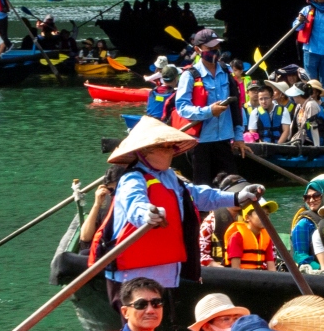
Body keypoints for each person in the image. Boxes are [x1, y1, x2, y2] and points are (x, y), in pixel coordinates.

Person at [94, 117, 254, 306]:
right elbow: (135, 205)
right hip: (134, 273)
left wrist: (236, 198)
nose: (171, 152)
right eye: (165, 147)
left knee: (160, 324)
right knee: (139, 323)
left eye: (171, 147)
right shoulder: (132, 179)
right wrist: (147, 213)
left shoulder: (170, 177)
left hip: (167, 271)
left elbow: (198, 194)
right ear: (146, 151)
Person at [175, 29, 245, 184]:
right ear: (198, 50)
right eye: (210, 48)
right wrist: (208, 111)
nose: (214, 51)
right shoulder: (190, 75)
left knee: (233, 185)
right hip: (201, 142)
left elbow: (236, 107)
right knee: (203, 187)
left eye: (216, 48)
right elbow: (182, 107)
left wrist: (239, 137)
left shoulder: (226, 71)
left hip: (224, 140)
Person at [287, 175, 324, 270]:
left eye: (316, 196)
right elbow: (301, 257)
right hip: (318, 273)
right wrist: (322, 270)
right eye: (307, 197)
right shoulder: (303, 224)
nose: (311, 200)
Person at [222, 198, 277, 271]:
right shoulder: (237, 237)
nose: (265, 217)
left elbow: (271, 268)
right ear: (248, 218)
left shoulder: (267, 237)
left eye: (267, 214)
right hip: (244, 278)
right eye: (260, 214)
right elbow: (235, 269)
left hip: (261, 278)